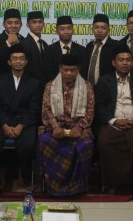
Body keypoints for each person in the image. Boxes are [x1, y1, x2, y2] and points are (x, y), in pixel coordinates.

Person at [95, 45, 133, 193]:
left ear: (132, 63)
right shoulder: (104, 80)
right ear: (113, 62)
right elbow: (100, 106)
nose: (125, 63)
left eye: (128, 60)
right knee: (104, 141)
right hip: (112, 124)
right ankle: (111, 183)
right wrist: (114, 121)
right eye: (121, 60)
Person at [36, 54, 95, 196]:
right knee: (44, 141)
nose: (68, 73)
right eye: (65, 70)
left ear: (78, 69)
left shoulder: (87, 87)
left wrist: (78, 127)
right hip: (55, 128)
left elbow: (90, 111)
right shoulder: (50, 86)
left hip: (79, 128)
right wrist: (55, 126)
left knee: (85, 145)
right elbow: (46, 109)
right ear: (60, 69)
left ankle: (78, 186)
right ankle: (50, 185)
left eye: (72, 70)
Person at [0, 44, 42, 191]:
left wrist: (21, 125)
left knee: (28, 145)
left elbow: (34, 109)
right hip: (2, 121)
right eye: (15, 59)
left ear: (26, 61)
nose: (18, 61)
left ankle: (24, 174)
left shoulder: (34, 83)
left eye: (21, 58)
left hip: (24, 122)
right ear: (9, 62)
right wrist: (4, 124)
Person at [44, 15, 87, 82]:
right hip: (54, 85)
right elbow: (48, 71)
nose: (66, 32)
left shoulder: (81, 50)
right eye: (62, 29)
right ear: (57, 31)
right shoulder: (49, 50)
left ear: (73, 30)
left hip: (77, 85)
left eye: (69, 28)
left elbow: (83, 71)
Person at [81, 14, 118, 87]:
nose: (99, 31)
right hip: (88, 88)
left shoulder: (115, 46)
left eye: (103, 28)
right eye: (96, 27)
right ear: (92, 29)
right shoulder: (89, 46)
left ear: (108, 30)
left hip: (108, 87)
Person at [0, 8, 25, 76]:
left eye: (17, 23)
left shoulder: (24, 40)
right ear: (3, 24)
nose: (13, 26)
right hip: (0, 79)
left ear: (21, 24)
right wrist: (8, 43)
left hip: (21, 79)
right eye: (9, 23)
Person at [20, 10, 48, 88]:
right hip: (28, 86)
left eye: (40, 22)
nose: (37, 25)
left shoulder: (45, 44)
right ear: (28, 25)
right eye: (34, 22)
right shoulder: (23, 44)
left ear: (43, 24)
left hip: (44, 86)